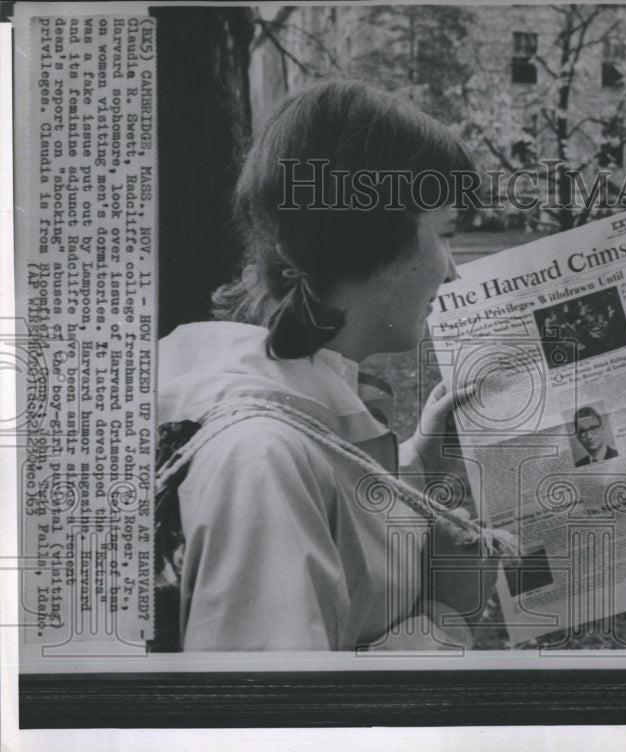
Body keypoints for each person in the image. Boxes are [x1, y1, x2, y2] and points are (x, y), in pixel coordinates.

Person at [156, 80, 498, 651]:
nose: (453, 270)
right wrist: (445, 617)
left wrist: (421, 461)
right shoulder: (260, 462)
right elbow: (274, 727)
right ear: (370, 241)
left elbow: (330, 520)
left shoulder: (296, 406)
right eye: (446, 235)